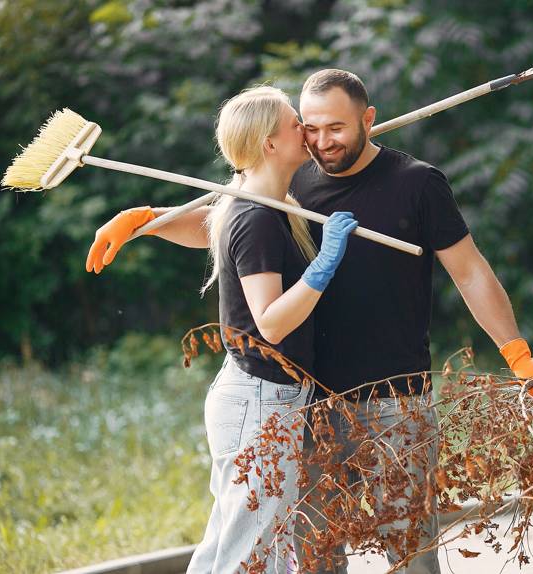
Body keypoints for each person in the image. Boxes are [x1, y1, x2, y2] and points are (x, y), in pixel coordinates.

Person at [89, 69, 533, 573]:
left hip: (394, 403)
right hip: (305, 404)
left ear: (369, 120)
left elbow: (470, 272)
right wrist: (148, 221)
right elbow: (228, 227)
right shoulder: (293, 177)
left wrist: (515, 350)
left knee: (411, 553)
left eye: (336, 128)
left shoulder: (417, 183)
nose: (321, 141)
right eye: (310, 127)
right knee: (313, 557)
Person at [85, 85, 359, 574]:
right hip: (260, 402)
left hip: (257, 395)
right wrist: (326, 262)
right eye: (296, 121)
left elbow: (208, 226)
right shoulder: (257, 216)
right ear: (270, 144)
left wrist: (146, 220)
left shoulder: (262, 204)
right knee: (253, 552)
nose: (307, 129)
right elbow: (271, 322)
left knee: (234, 544)